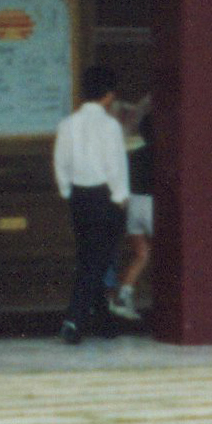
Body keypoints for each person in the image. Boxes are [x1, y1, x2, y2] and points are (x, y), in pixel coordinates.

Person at [52, 62, 131, 346]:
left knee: (89, 257)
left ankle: (104, 321)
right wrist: (120, 197)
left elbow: (60, 161)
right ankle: (73, 320)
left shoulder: (67, 124)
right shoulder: (110, 126)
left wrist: (66, 191)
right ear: (109, 95)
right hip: (105, 197)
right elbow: (116, 165)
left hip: (79, 197)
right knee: (97, 261)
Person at [112, 99, 154, 327]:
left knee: (142, 254)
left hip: (133, 206)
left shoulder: (133, 155)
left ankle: (123, 296)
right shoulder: (162, 154)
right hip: (152, 205)